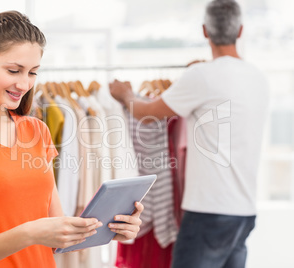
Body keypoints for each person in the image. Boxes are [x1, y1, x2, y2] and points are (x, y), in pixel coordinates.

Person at [0, 11, 143, 268]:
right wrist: (29, 233)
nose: (24, 84)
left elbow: (57, 234)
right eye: (14, 70)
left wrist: (110, 227)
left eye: (33, 72)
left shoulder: (36, 130)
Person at [109, 0, 269, 267]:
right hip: (244, 213)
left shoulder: (202, 76)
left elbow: (148, 112)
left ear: (205, 31)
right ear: (240, 31)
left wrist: (125, 95)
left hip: (208, 211)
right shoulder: (257, 78)